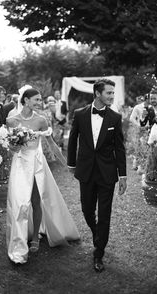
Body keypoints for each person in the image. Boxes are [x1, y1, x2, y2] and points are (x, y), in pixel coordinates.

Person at [6, 87, 80, 264]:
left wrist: (68, 165)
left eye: (40, 100)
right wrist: (15, 146)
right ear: (25, 100)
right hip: (20, 164)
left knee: (36, 200)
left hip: (37, 164)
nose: (40, 103)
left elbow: (52, 145)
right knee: (19, 203)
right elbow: (10, 148)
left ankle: (35, 238)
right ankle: (18, 240)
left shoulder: (41, 120)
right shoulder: (11, 120)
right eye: (36, 100)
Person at [67, 79, 127, 272]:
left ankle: (98, 253)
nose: (112, 96)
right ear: (97, 93)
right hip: (85, 170)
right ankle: (97, 234)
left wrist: (123, 175)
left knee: (104, 215)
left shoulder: (115, 118)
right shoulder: (80, 114)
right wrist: (71, 163)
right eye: (108, 93)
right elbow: (73, 139)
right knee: (86, 209)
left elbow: (119, 147)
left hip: (107, 173)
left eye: (113, 93)